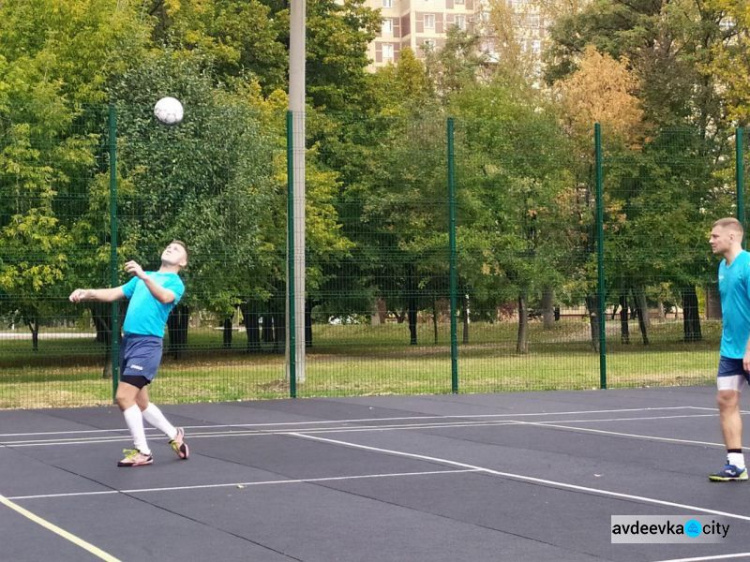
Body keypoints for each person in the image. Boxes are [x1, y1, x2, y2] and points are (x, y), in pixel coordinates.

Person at [70, 241, 190, 467]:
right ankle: (175, 435)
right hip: (130, 343)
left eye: (176, 250)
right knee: (141, 402)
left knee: (123, 397)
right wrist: (86, 293)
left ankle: (143, 451)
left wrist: (145, 277)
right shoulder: (142, 278)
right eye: (168, 247)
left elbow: (164, 297)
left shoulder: (175, 283)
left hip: (147, 345)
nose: (169, 249)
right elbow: (114, 293)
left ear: (182, 262)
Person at [709, 218, 750, 481]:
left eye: (715, 236)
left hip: (748, 349)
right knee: (725, 399)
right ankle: (735, 464)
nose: (711, 240)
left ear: (733, 236)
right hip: (730, 350)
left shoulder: (748, 265)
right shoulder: (723, 268)